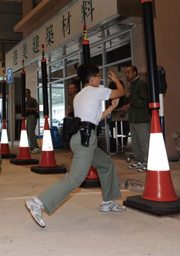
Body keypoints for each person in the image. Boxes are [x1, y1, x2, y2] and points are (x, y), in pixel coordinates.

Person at [25, 64, 126, 228]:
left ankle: (108, 202)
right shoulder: (95, 91)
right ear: (92, 78)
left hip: (81, 138)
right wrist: (115, 80)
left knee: (106, 165)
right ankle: (39, 202)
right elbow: (121, 92)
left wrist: (112, 107)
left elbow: (97, 117)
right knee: (77, 177)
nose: (99, 80)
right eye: (98, 77)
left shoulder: (79, 96)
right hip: (86, 139)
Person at [122, 66, 150, 172]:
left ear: (134, 72)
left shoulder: (141, 84)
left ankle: (147, 162)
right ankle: (139, 161)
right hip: (133, 118)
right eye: (126, 72)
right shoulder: (132, 85)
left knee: (144, 141)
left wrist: (130, 105)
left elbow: (144, 100)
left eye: (128, 72)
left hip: (141, 118)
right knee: (135, 142)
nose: (126, 74)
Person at [25, 89, 40, 154]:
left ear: (29, 93)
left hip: (32, 116)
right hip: (28, 117)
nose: (26, 94)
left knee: (31, 131)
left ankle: (35, 147)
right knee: (28, 131)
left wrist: (29, 109)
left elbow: (37, 108)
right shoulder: (25, 101)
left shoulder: (33, 100)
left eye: (27, 92)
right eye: (25, 93)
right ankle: (32, 146)